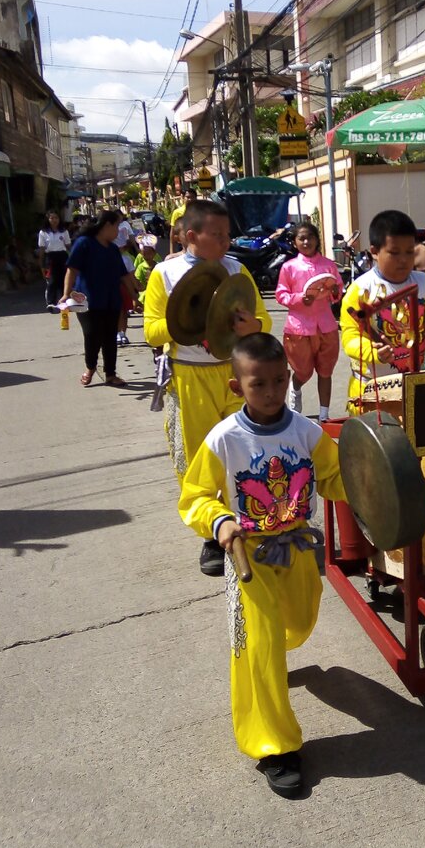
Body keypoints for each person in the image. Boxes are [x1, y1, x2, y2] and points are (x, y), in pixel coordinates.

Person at [178, 332, 347, 798]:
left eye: (278, 382)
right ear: (238, 387)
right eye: (259, 384)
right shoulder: (224, 439)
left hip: (295, 550)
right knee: (261, 646)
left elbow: (334, 479)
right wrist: (219, 521)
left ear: (289, 379)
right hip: (248, 555)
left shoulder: (306, 432)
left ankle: (275, 659)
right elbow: (194, 497)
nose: (271, 392)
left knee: (299, 621)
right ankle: (274, 745)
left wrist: (375, 480)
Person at [144, 198, 271, 577]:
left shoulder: (237, 271)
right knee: (199, 457)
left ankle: (252, 520)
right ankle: (212, 534)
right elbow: (152, 330)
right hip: (189, 376)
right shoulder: (164, 276)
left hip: (232, 372)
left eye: (227, 233)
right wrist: (187, 320)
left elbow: (262, 319)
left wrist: (252, 327)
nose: (226, 241)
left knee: (245, 448)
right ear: (191, 235)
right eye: (218, 235)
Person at [340, 209, 425, 411]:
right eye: (394, 253)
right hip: (370, 389)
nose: (403, 259)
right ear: (374, 252)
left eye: (409, 252)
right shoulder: (360, 290)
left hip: (412, 385)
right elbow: (349, 337)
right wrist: (372, 352)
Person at [62, 210, 141, 388]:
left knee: (109, 337)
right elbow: (72, 269)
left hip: (111, 300)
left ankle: (110, 374)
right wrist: (66, 294)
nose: (119, 231)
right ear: (107, 225)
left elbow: (124, 275)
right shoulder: (84, 244)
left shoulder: (113, 249)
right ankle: (90, 367)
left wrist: (135, 297)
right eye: (117, 226)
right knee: (92, 335)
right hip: (86, 300)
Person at [275, 221, 344, 421]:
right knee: (302, 372)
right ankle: (295, 391)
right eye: (301, 238)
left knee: (325, 371)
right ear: (295, 242)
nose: (306, 242)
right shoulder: (289, 267)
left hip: (326, 326)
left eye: (310, 237)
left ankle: (324, 415)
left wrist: (334, 292)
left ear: (317, 240)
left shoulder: (329, 265)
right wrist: (299, 299)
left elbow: (337, 292)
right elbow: (281, 295)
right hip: (299, 328)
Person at [112, 209, 137, 347]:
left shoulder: (127, 259)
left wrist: (135, 292)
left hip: (124, 288)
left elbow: (130, 275)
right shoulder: (108, 256)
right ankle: (116, 333)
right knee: (116, 310)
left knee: (124, 310)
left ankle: (123, 333)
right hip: (112, 286)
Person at [37, 211, 71, 308]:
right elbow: (42, 249)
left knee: (63, 279)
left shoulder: (64, 231)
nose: (54, 220)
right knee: (52, 280)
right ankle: (51, 302)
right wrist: (41, 264)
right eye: (52, 218)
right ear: (48, 219)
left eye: (56, 218)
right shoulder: (43, 232)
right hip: (50, 257)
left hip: (62, 256)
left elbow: (68, 246)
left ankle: (64, 300)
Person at [169, 187, 198, 255]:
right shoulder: (177, 212)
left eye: (192, 197)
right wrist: (171, 252)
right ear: (183, 198)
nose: (190, 199)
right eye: (188, 197)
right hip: (182, 246)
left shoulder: (200, 212)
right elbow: (172, 234)